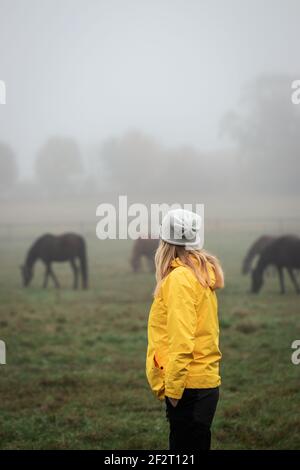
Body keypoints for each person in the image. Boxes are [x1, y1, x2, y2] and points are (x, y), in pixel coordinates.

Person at [146, 209, 224, 450]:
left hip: (187, 388)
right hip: (204, 384)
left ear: (165, 241)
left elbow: (182, 340)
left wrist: (174, 390)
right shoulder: (199, 274)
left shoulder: (180, 279)